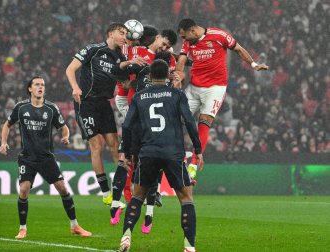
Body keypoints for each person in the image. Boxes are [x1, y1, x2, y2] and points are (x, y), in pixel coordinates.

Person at [118, 59, 203, 252]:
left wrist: (130, 153)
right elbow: (190, 121)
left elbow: (128, 125)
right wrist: (198, 149)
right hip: (173, 152)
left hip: (148, 152)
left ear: (148, 76)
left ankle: (126, 237)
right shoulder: (177, 94)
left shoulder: (139, 96)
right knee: (186, 198)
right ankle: (189, 246)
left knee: (138, 196)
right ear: (168, 75)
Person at [175, 18, 269, 180]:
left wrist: (253, 65)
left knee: (204, 121)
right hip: (194, 87)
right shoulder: (189, 42)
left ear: (192, 31)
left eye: (184, 36)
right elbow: (182, 59)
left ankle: (193, 165)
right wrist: (178, 74)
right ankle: (178, 158)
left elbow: (238, 49)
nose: (183, 40)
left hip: (215, 88)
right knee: (174, 119)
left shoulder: (219, 35)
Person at [0, 76, 91, 239]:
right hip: (27, 157)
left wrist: (65, 136)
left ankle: (75, 225)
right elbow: (7, 125)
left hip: (46, 157)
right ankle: (22, 229)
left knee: (62, 189)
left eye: (42, 85)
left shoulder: (51, 108)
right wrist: (4, 142)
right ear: (30, 88)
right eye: (37, 84)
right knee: (24, 189)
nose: (40, 87)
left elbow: (64, 128)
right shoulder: (20, 108)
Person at [65, 22, 145, 205]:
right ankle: (106, 192)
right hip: (85, 102)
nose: (125, 35)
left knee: (115, 146)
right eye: (121, 32)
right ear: (110, 33)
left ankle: (122, 191)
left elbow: (125, 83)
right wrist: (75, 87)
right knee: (97, 145)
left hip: (104, 104)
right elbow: (70, 69)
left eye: (126, 33)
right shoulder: (93, 50)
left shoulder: (120, 56)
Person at [111, 28, 178, 233]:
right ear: (157, 38)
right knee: (126, 160)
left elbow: (176, 79)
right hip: (135, 115)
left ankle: (148, 213)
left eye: (167, 47)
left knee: (150, 163)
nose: (164, 48)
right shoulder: (138, 56)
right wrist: (126, 73)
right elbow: (119, 74)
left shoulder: (167, 61)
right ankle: (116, 204)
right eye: (163, 44)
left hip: (150, 121)